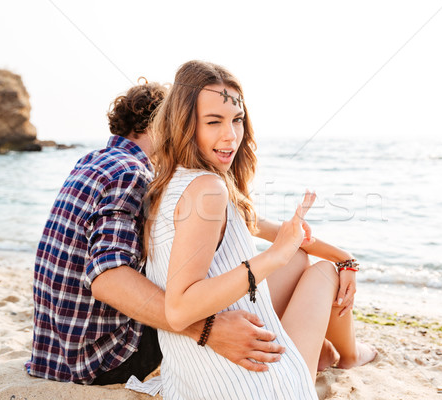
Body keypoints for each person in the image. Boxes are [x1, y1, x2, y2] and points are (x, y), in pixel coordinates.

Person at [141, 60, 376, 399]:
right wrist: (275, 257)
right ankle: (351, 355)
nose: (230, 135)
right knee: (323, 272)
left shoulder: (173, 181)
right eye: (213, 122)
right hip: (253, 386)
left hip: (194, 378)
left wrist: (345, 258)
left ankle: (327, 349)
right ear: (185, 125)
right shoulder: (208, 189)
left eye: (237, 120)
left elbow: (272, 230)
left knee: (301, 259)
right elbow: (178, 310)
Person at [28, 79, 287, 384]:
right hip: (104, 357)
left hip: (55, 352)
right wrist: (208, 329)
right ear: (166, 125)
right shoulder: (133, 174)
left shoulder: (93, 161)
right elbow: (108, 278)